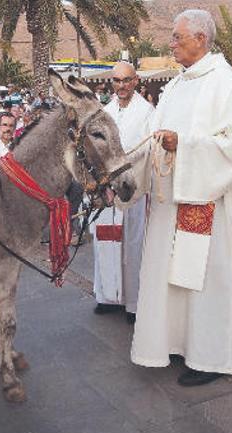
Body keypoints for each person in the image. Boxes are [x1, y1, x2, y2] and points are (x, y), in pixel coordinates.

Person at [130, 9, 232, 386]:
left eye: (177, 37)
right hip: (172, 199)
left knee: (205, 278)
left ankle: (210, 356)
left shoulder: (225, 83)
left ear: (201, 39)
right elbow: (154, 133)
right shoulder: (176, 85)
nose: (171, 44)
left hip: (209, 203)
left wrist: (182, 144)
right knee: (172, 277)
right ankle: (175, 342)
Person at [92, 61, 155, 323]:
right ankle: (108, 296)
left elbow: (150, 144)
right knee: (105, 239)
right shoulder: (105, 111)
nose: (121, 86)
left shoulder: (147, 111)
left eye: (126, 80)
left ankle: (133, 302)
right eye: (117, 80)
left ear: (136, 81)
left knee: (133, 242)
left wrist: (121, 163)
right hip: (107, 187)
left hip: (133, 186)